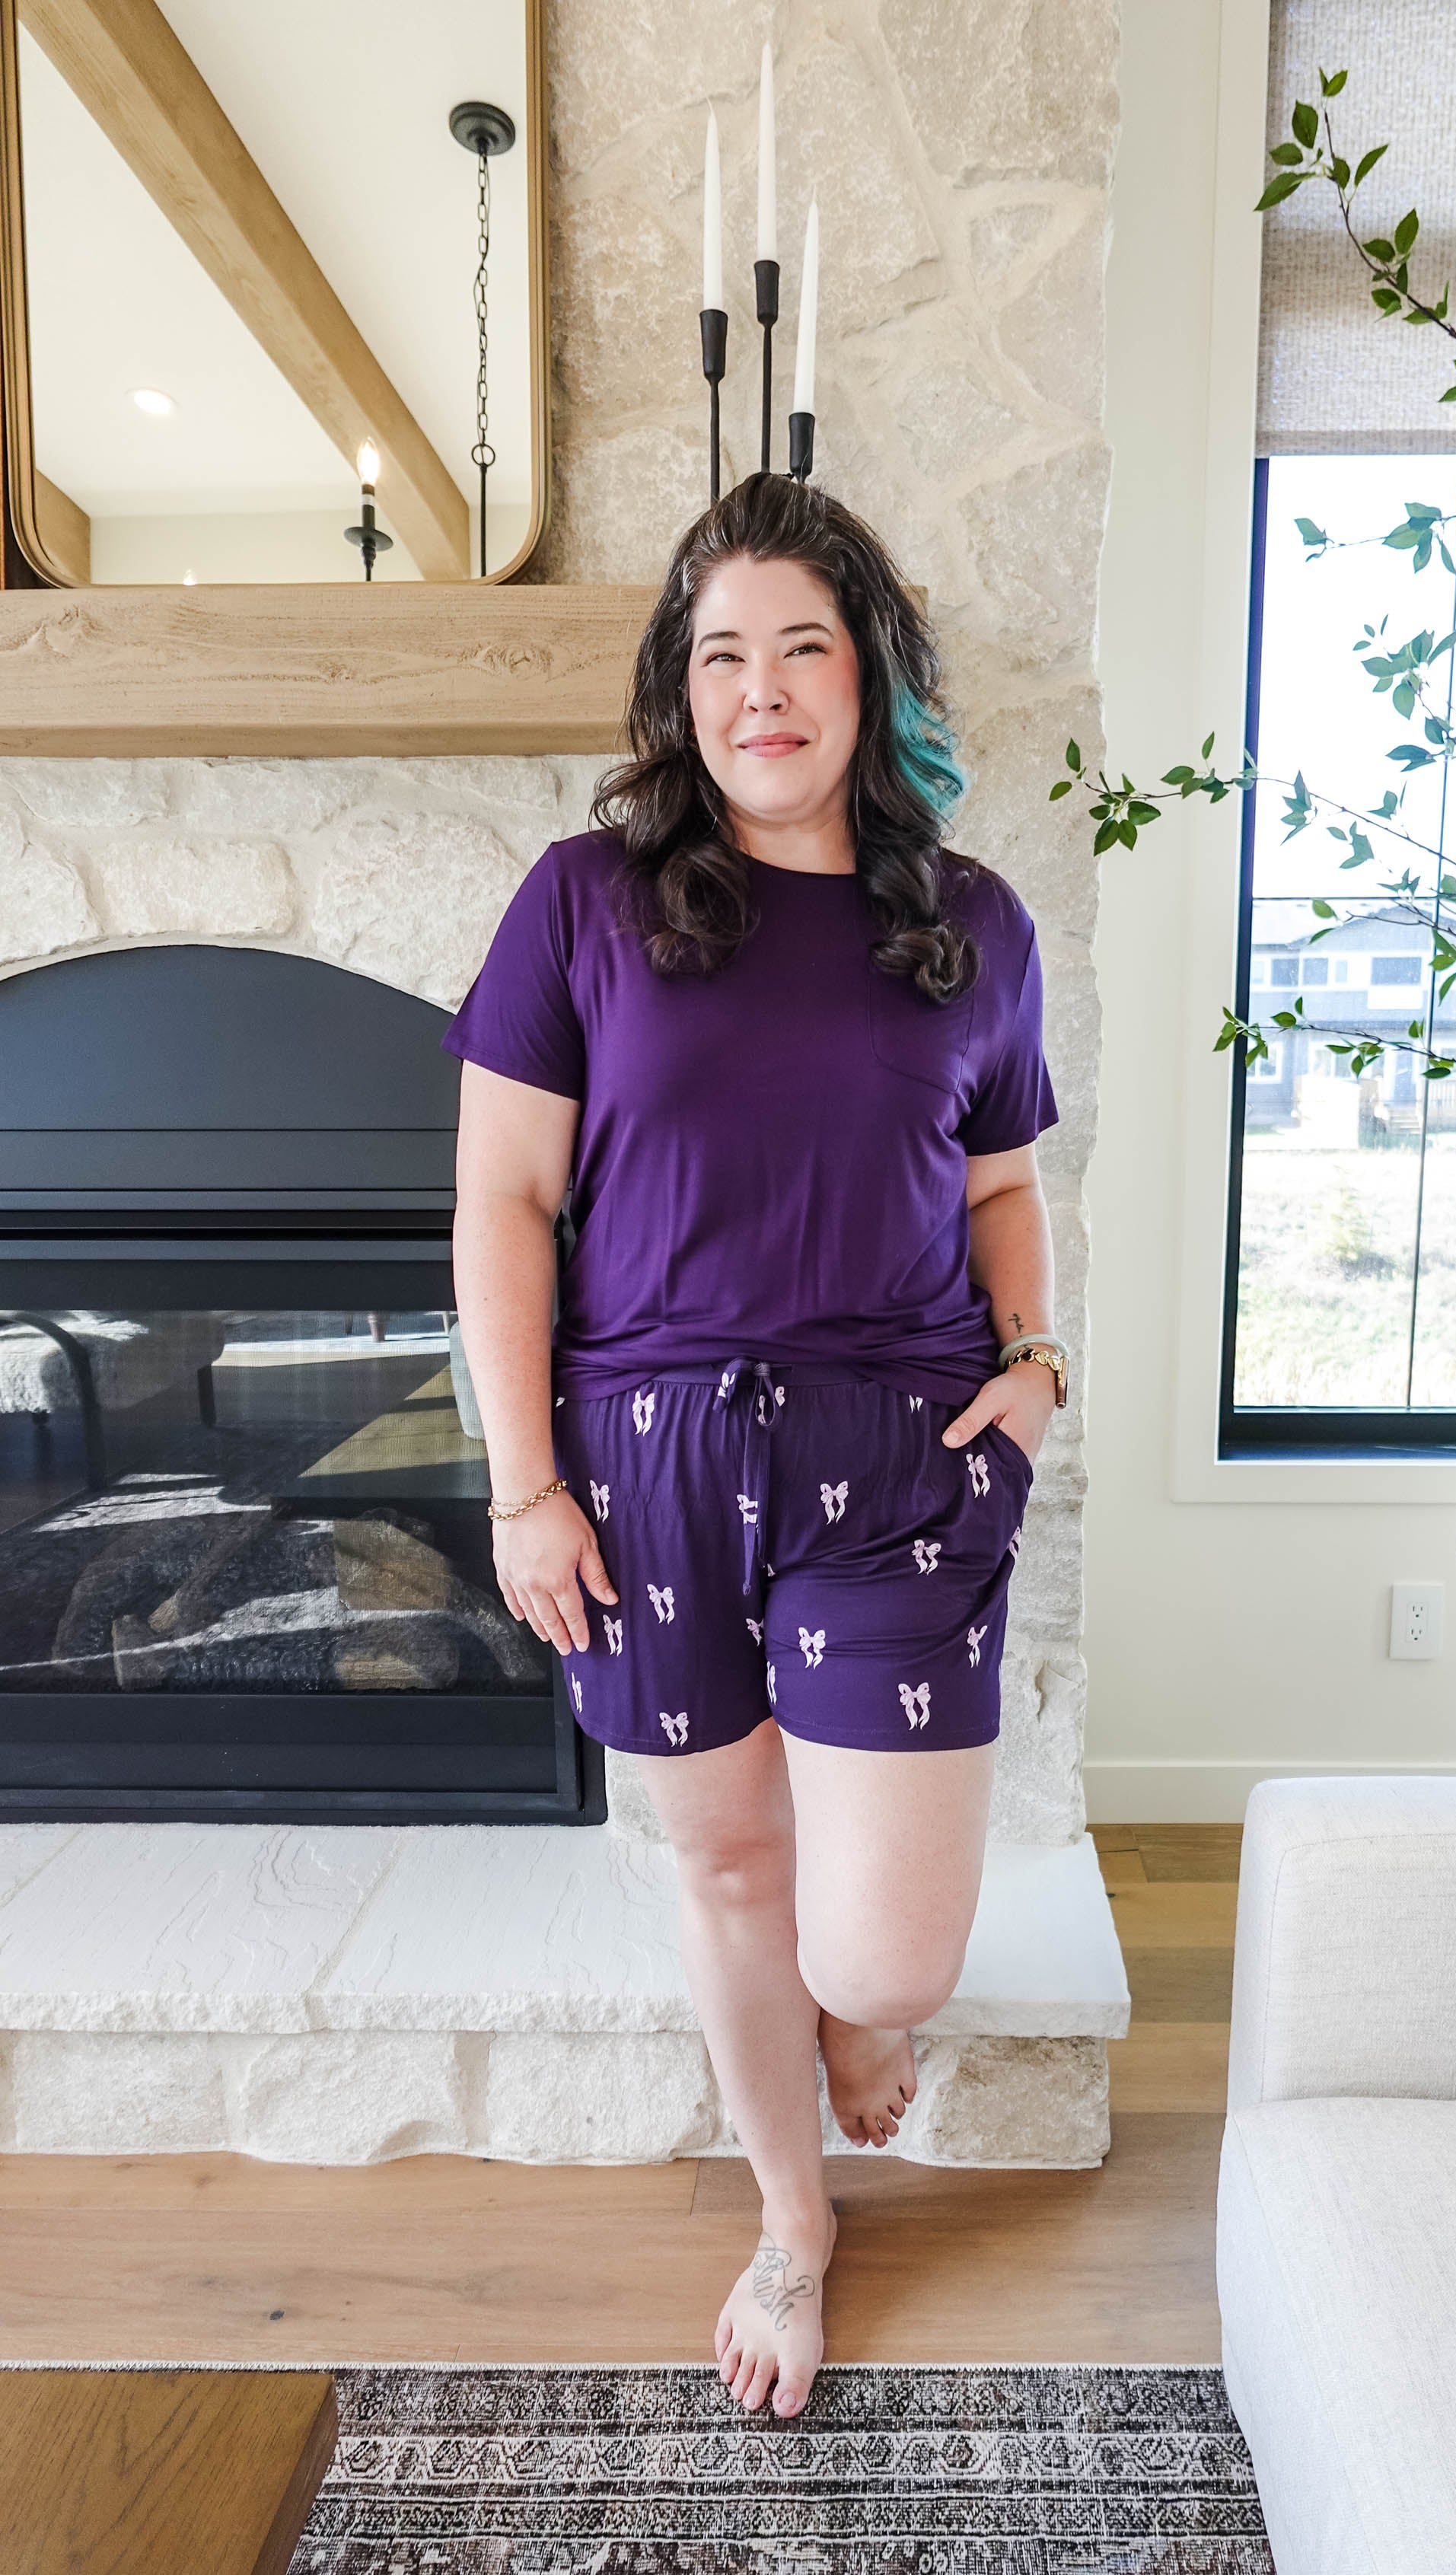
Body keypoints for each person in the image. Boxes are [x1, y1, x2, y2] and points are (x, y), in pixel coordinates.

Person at [443, 469, 1066, 2420]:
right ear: (681, 693)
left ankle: (836, 2024)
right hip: (646, 1461)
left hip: (899, 1448)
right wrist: (523, 1483)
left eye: (804, 644)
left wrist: (1038, 1361)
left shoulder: (970, 922)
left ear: (868, 677)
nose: (763, 687)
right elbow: (503, 1209)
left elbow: (1003, 1189)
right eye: (722, 654)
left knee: (881, 1959)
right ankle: (793, 2224)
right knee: (727, 1861)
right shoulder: (586, 903)